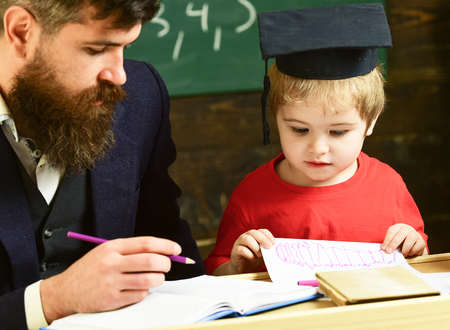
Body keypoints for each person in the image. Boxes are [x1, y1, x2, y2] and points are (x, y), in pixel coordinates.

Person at [0, 0, 205, 329]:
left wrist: (231, 279)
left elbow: (176, 262)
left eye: (126, 46)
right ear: (21, 32)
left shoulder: (144, 94)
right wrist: (54, 298)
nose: (119, 76)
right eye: (96, 49)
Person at [204, 3, 428, 276]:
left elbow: (421, 261)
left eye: (338, 132)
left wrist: (416, 250)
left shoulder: (389, 186)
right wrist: (236, 267)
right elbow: (217, 271)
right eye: (299, 130)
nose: (317, 149)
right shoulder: (251, 195)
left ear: (371, 121)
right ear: (276, 118)